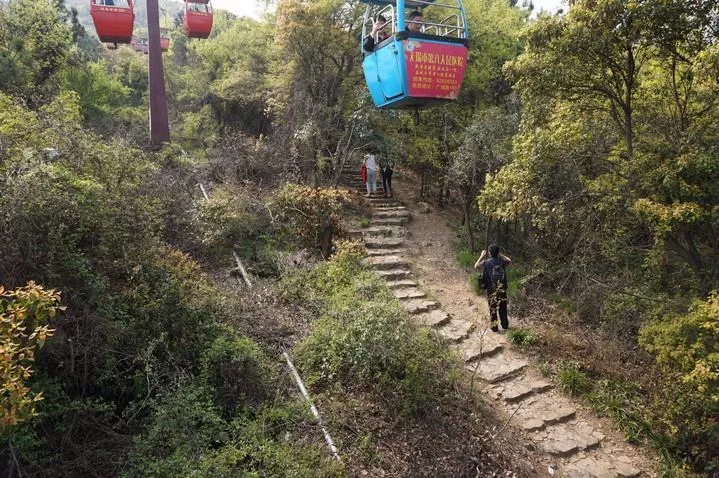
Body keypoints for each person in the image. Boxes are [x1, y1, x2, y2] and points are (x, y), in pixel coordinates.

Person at [474, 244, 512, 332]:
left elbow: (475, 266)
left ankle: (494, 328)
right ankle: (505, 326)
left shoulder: (486, 262)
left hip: (491, 290)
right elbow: (509, 260)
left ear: (490, 253)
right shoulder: (502, 261)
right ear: (497, 252)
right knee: (503, 308)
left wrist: (481, 256)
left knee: (493, 309)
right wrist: (500, 254)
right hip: (502, 288)